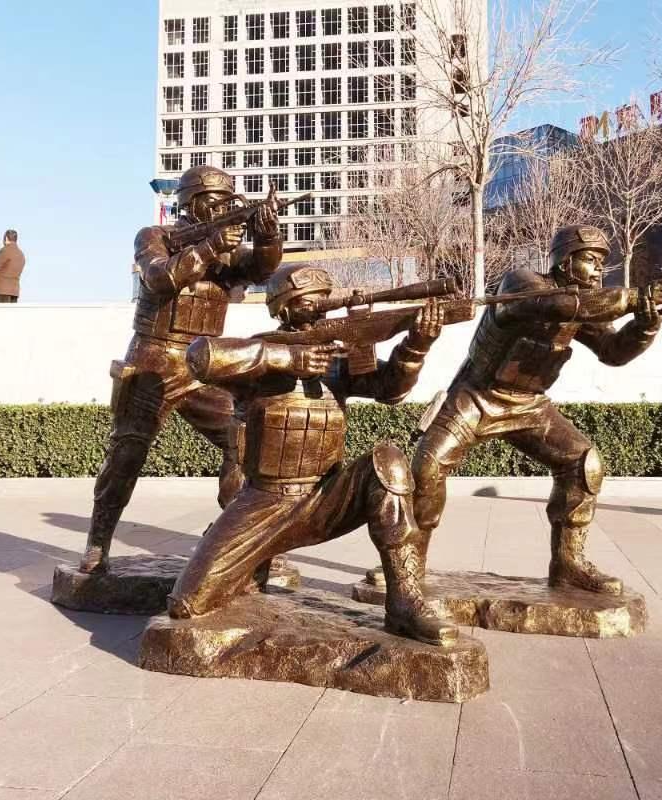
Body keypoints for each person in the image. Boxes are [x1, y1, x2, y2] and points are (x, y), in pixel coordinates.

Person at [167, 264, 458, 647]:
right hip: (263, 504)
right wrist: (286, 359)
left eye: (324, 300)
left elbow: (389, 390)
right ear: (283, 308)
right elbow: (200, 356)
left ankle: (404, 599)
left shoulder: (338, 360)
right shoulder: (258, 357)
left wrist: (415, 346)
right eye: (309, 302)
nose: (321, 308)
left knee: (388, 462)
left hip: (323, 498)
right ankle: (249, 568)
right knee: (188, 604)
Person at [407, 224, 662, 595]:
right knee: (427, 467)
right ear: (565, 262)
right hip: (477, 395)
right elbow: (558, 305)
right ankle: (406, 565)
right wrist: (633, 297)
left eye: (602, 263)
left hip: (530, 405)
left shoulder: (588, 304)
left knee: (583, 463)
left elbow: (613, 352)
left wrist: (645, 325)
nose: (598, 270)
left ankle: (568, 564)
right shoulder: (521, 283)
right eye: (590, 259)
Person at [79, 165, 282, 574]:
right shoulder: (154, 236)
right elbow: (159, 278)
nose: (224, 208)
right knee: (127, 453)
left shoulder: (228, 252)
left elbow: (262, 270)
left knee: (244, 439)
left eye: (229, 202)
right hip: (153, 359)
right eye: (216, 201)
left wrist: (268, 237)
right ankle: (98, 543)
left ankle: (234, 539)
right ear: (192, 202)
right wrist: (208, 247)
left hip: (205, 362)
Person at [0, 229, 25, 303]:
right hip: (14, 291)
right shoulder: (21, 254)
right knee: (11, 310)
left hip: (2, 290)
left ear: (6, 238)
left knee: (2, 310)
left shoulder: (5, 250)